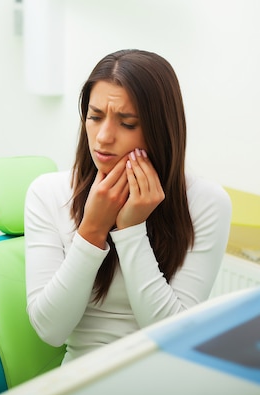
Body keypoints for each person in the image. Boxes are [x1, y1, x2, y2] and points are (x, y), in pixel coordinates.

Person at [25, 49, 232, 364]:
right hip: (84, 374)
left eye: (127, 123)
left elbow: (174, 339)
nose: (103, 137)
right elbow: (50, 330)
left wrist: (132, 231)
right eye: (95, 117)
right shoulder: (48, 192)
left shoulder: (206, 202)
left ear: (161, 130)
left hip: (169, 375)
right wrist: (92, 230)